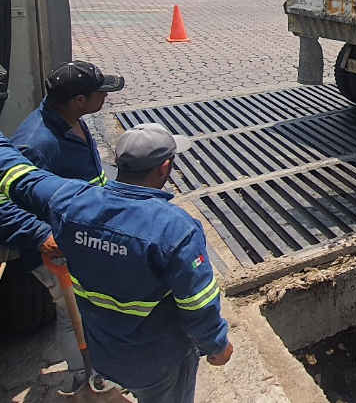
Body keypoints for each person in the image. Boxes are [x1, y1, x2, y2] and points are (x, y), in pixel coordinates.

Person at [0, 123, 233, 403]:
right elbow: (198, 303)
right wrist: (217, 345)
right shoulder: (175, 230)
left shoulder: (69, 201)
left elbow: (18, 176)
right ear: (165, 167)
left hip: (105, 353)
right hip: (158, 363)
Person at [1, 61, 125, 394]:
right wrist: (45, 238)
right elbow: (11, 201)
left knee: (94, 308)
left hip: (83, 240)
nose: (106, 97)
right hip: (59, 251)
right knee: (74, 314)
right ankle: (87, 375)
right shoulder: (36, 144)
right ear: (79, 100)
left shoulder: (72, 122)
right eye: (101, 93)